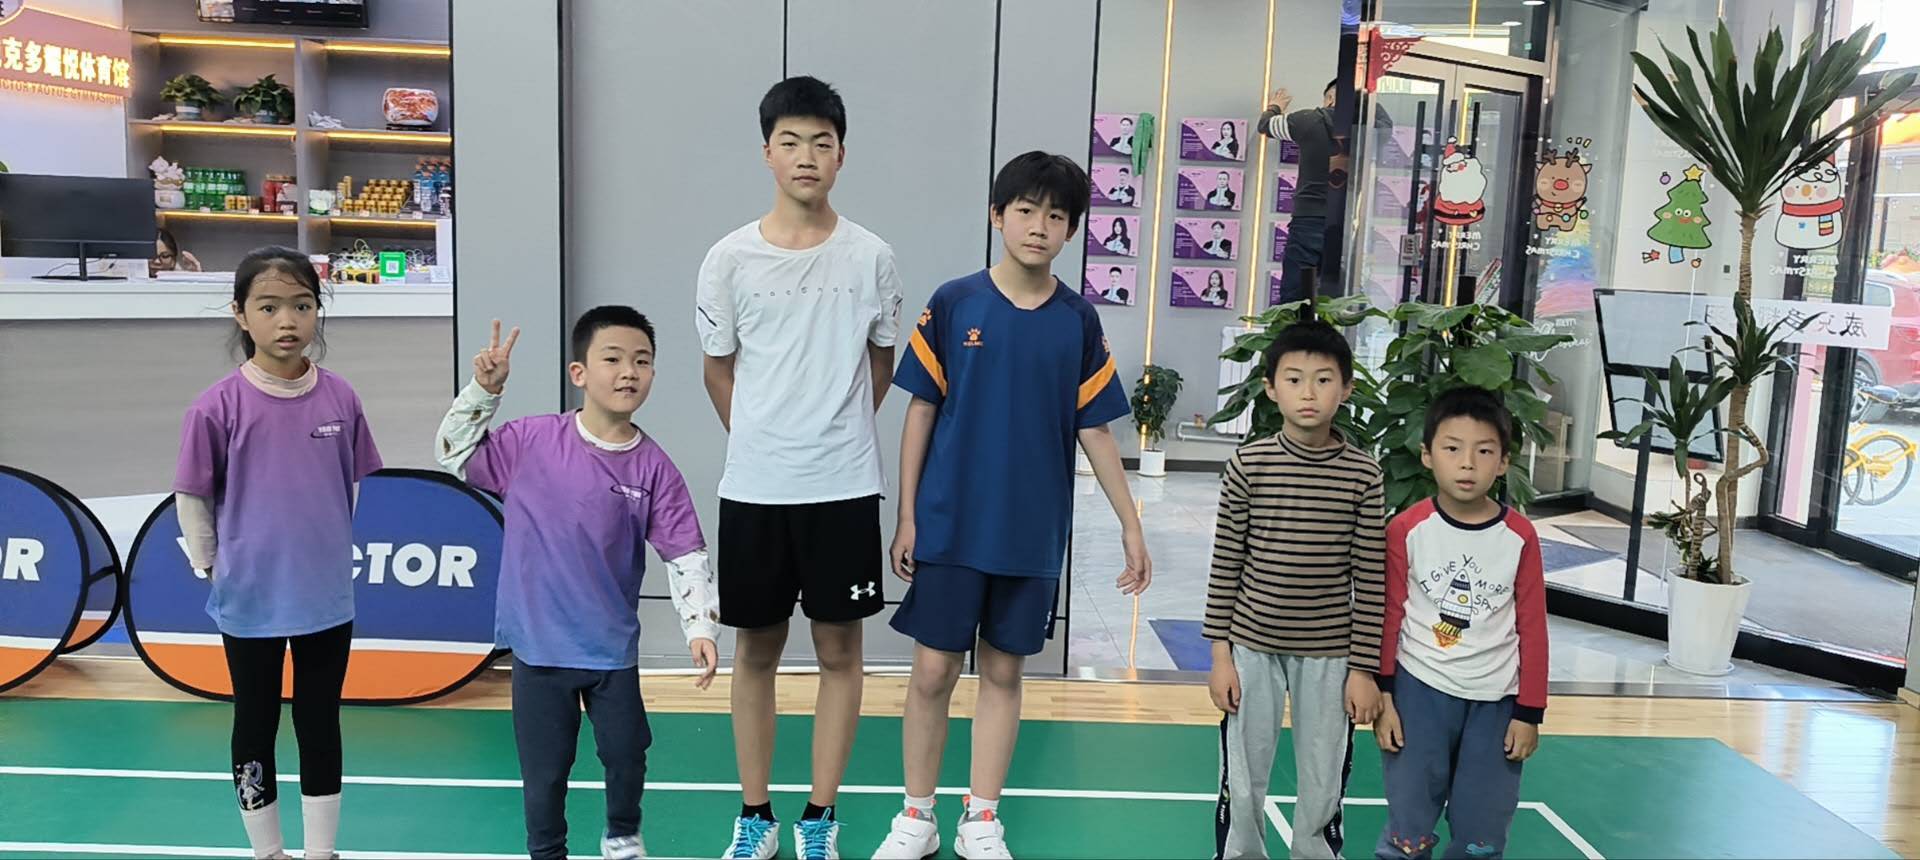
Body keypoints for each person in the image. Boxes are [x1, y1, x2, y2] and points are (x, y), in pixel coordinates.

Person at [872, 151, 1152, 860]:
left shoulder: (1078, 319)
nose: (1038, 226)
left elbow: (1095, 428)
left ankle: (982, 819)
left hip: (1031, 533)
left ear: (1071, 230)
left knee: (1003, 672)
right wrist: (907, 515)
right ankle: (916, 817)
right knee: (932, 672)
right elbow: (920, 411)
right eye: (1025, 210)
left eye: (1055, 216)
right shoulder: (955, 302)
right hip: (951, 524)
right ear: (997, 215)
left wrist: (1131, 524)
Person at [697, 75, 903, 860]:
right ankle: (756, 816)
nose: (807, 155)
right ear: (767, 154)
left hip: (843, 489)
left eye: (822, 141)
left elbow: (880, 363)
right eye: (791, 141)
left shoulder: (872, 257)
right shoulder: (728, 259)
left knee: (841, 655)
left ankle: (820, 817)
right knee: (755, 652)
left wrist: (832, 433)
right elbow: (718, 369)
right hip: (754, 490)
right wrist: (762, 437)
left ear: (841, 155)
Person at [435, 309, 721, 860]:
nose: (628, 371)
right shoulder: (530, 440)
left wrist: (700, 628)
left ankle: (622, 836)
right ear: (579, 373)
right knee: (545, 772)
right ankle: (547, 852)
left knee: (627, 754)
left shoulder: (655, 468)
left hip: (610, 650)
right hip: (539, 648)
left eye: (642, 361)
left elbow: (685, 551)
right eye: (612, 359)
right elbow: (453, 453)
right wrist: (483, 392)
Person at [172, 246, 383, 860]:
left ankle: (321, 851)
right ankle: (267, 850)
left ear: (318, 311)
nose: (287, 320)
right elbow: (193, 495)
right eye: (268, 307)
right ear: (241, 314)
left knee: (320, 722)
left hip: (326, 598)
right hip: (250, 598)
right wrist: (213, 565)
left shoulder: (341, 398)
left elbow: (349, 486)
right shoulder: (216, 406)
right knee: (255, 722)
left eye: (302, 305)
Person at [1206, 320, 1385, 860]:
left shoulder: (1364, 474)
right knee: (1243, 774)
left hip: (1330, 652)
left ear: (1346, 389)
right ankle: (1240, 853)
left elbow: (1370, 577)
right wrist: (1220, 656)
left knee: (1324, 775)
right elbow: (1226, 563)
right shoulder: (1249, 464)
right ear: (1270, 388)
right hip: (1251, 647)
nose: (1309, 393)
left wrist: (1363, 669)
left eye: (1324, 380)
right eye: (1294, 379)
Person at [1374, 386, 1548, 860]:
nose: (1467, 464)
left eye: (1484, 451)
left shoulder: (1520, 536)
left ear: (1504, 461)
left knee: (1482, 831)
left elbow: (1533, 627)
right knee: (1408, 826)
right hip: (1418, 693)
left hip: (1497, 704)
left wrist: (1529, 712)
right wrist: (1385, 696)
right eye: (1452, 449)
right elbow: (1389, 614)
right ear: (1427, 455)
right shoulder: (1406, 529)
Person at [1259, 80, 1338, 301]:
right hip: (1347, 219)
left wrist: (1275, 106)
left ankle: (1301, 323)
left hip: (1309, 218)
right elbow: (1385, 126)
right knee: (1338, 296)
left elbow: (1266, 125)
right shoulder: (1368, 126)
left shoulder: (1310, 120)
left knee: (1297, 294)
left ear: (1330, 98)